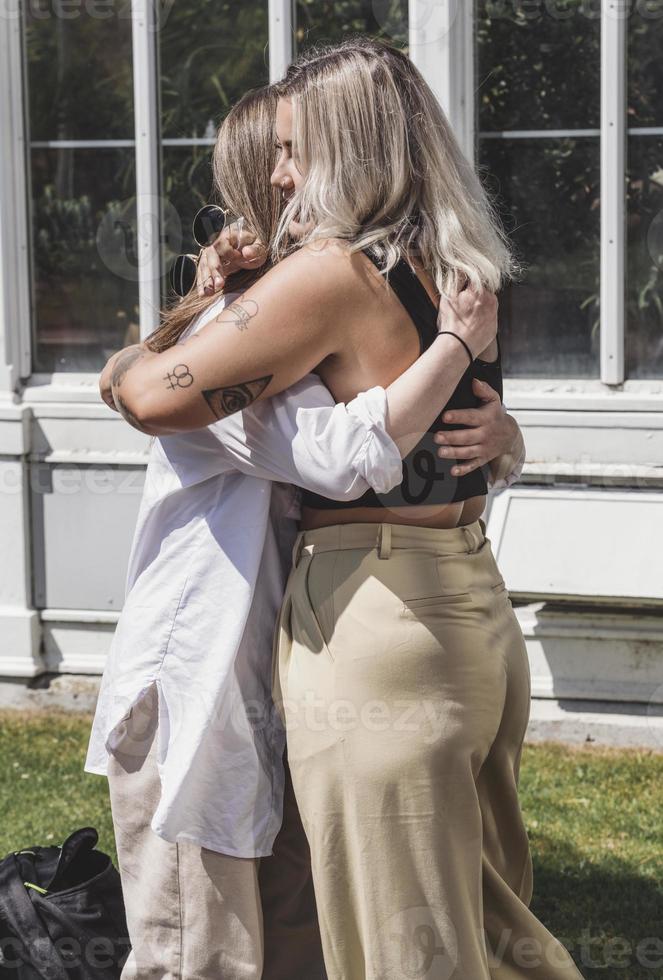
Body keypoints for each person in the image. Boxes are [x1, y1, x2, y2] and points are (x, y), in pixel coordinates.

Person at [86, 81, 524, 979]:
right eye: (273, 163)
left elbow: (414, 454)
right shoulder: (249, 339)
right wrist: (451, 352)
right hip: (201, 679)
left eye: (292, 158)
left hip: (300, 655)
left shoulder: (338, 309)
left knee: (306, 933)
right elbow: (333, 456)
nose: (285, 182)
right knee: (197, 949)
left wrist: (503, 436)